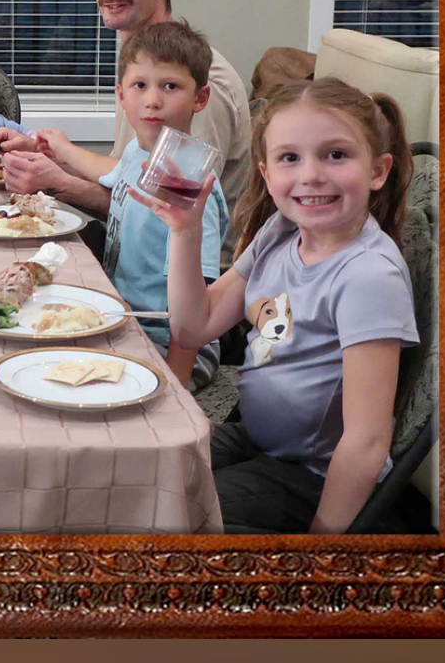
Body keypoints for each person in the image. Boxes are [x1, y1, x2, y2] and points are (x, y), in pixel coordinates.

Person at [147, 76, 417, 533]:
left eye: (336, 154)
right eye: (290, 158)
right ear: (267, 174)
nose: (311, 174)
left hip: (312, 477)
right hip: (258, 442)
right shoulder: (280, 232)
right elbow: (195, 327)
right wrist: (185, 232)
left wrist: (319, 544)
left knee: (168, 513)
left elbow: (367, 443)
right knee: (136, 466)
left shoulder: (369, 276)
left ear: (378, 170)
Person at [0, 0, 252, 252]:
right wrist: (42, 154)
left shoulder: (194, 82)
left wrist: (58, 183)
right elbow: (124, 173)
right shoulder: (139, 70)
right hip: (125, 252)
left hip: (180, 272)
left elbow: (166, 211)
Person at [25, 22, 230, 391]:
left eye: (170, 86)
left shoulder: (189, 187)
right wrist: (58, 149)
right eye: (140, 86)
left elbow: (196, 311)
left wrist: (175, 389)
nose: (152, 100)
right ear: (121, 94)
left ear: (200, 98)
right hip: (126, 320)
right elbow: (109, 173)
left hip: (171, 344)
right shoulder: (138, 152)